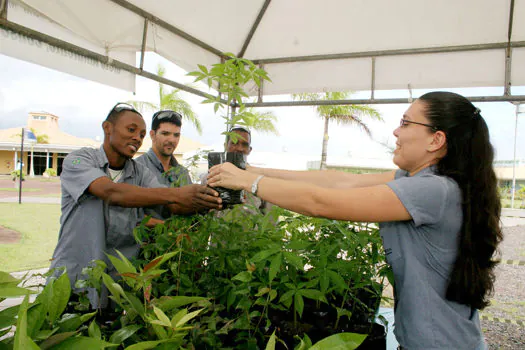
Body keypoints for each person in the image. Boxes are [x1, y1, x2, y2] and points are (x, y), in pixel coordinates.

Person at [208, 92, 502, 349]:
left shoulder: (432, 190)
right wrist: (253, 169)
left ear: (436, 140)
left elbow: (320, 202)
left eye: (406, 122)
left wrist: (250, 181)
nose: (396, 132)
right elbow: (340, 182)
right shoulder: (425, 180)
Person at [49, 103, 222, 308]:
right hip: (75, 279)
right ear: (107, 128)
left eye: (140, 135)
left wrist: (211, 200)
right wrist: (177, 193)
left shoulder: (140, 173)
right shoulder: (79, 160)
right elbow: (111, 192)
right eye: (131, 130)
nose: (137, 139)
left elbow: (173, 204)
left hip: (117, 285)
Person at [136, 110, 192, 219]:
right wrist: (168, 228)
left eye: (176, 135)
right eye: (165, 133)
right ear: (152, 135)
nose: (171, 140)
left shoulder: (182, 172)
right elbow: (132, 217)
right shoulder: (137, 167)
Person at [203, 126, 272, 215]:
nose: (240, 148)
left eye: (245, 144)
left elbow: (270, 221)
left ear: (249, 150)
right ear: (225, 146)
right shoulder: (210, 178)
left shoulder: (260, 180)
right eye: (234, 143)